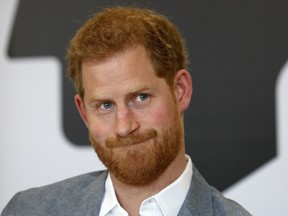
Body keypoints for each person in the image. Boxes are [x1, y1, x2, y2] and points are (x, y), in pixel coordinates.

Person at [1, 6, 251, 216]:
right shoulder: (27, 210)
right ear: (84, 112)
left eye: (140, 98)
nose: (124, 126)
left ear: (180, 91)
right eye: (105, 105)